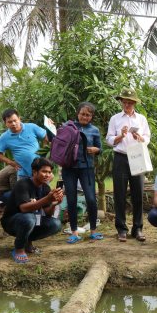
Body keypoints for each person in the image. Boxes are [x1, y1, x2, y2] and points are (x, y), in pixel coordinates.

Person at [106, 87, 151, 242]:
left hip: (137, 155)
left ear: (134, 103)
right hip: (120, 157)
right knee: (119, 193)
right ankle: (121, 229)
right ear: (121, 102)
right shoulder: (115, 119)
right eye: (124, 102)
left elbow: (147, 138)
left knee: (138, 193)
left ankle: (137, 228)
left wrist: (139, 137)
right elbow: (109, 140)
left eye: (130, 102)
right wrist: (121, 136)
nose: (127, 105)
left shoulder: (141, 119)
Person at [1, 157, 64, 263]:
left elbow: (48, 213)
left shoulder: (45, 188)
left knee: (56, 224)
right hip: (12, 222)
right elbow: (24, 208)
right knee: (29, 218)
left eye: (49, 172)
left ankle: (28, 242)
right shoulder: (23, 184)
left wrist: (54, 203)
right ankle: (19, 248)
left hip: (32, 220)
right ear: (34, 172)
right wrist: (47, 198)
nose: (47, 175)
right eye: (44, 171)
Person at [62, 102, 104, 243]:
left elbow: (100, 148)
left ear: (91, 116)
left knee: (91, 199)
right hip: (69, 168)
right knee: (72, 199)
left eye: (88, 115)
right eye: (82, 114)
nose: (85, 117)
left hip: (87, 168)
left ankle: (93, 230)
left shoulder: (94, 130)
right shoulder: (68, 127)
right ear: (77, 113)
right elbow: (57, 141)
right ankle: (74, 232)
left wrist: (95, 150)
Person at [0, 108, 48, 180]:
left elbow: (45, 137)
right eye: (9, 122)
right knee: (23, 191)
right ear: (5, 123)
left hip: (40, 170)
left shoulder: (31, 127)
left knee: (44, 191)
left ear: (19, 119)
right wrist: (11, 163)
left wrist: (44, 153)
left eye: (15, 120)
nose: (13, 124)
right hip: (23, 173)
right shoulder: (5, 137)